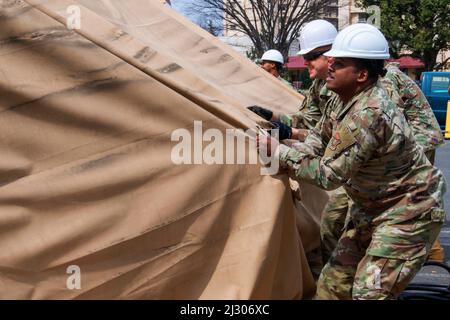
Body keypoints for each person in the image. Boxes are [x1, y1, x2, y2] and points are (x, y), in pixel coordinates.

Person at [258, 23, 446, 300]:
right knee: (332, 287)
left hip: (407, 210)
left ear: (361, 74)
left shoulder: (369, 112)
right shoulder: (339, 98)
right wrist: (284, 143)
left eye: (340, 63)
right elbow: (318, 139)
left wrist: (279, 152)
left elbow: (329, 175)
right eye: (331, 60)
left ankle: (420, 251)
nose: (329, 67)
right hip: (371, 204)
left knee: (369, 293)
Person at [320, 48, 446, 266]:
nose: (329, 63)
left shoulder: (382, 83)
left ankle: (422, 251)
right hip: (397, 142)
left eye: (316, 57)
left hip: (417, 142)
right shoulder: (341, 83)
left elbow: (372, 127)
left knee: (404, 200)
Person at [248, 20, 338, 142]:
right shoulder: (319, 83)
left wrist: (291, 133)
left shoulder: (346, 89)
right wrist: (273, 117)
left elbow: (330, 140)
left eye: (311, 57)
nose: (305, 62)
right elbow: (308, 120)